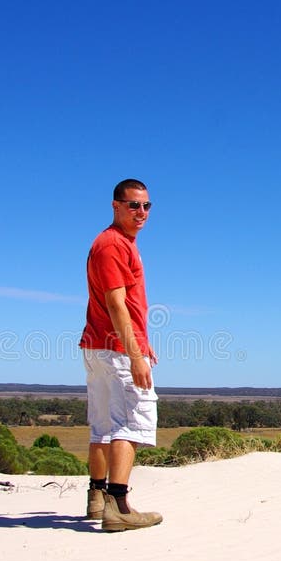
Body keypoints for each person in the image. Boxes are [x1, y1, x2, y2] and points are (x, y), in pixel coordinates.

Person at [79, 178, 163, 532]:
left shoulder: (116, 243)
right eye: (133, 205)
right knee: (130, 422)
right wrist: (135, 355)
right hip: (115, 349)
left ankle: (97, 498)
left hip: (98, 346)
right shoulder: (113, 244)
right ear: (116, 206)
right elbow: (116, 304)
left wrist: (143, 342)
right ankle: (119, 506)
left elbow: (125, 304)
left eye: (146, 206)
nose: (141, 212)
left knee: (102, 426)